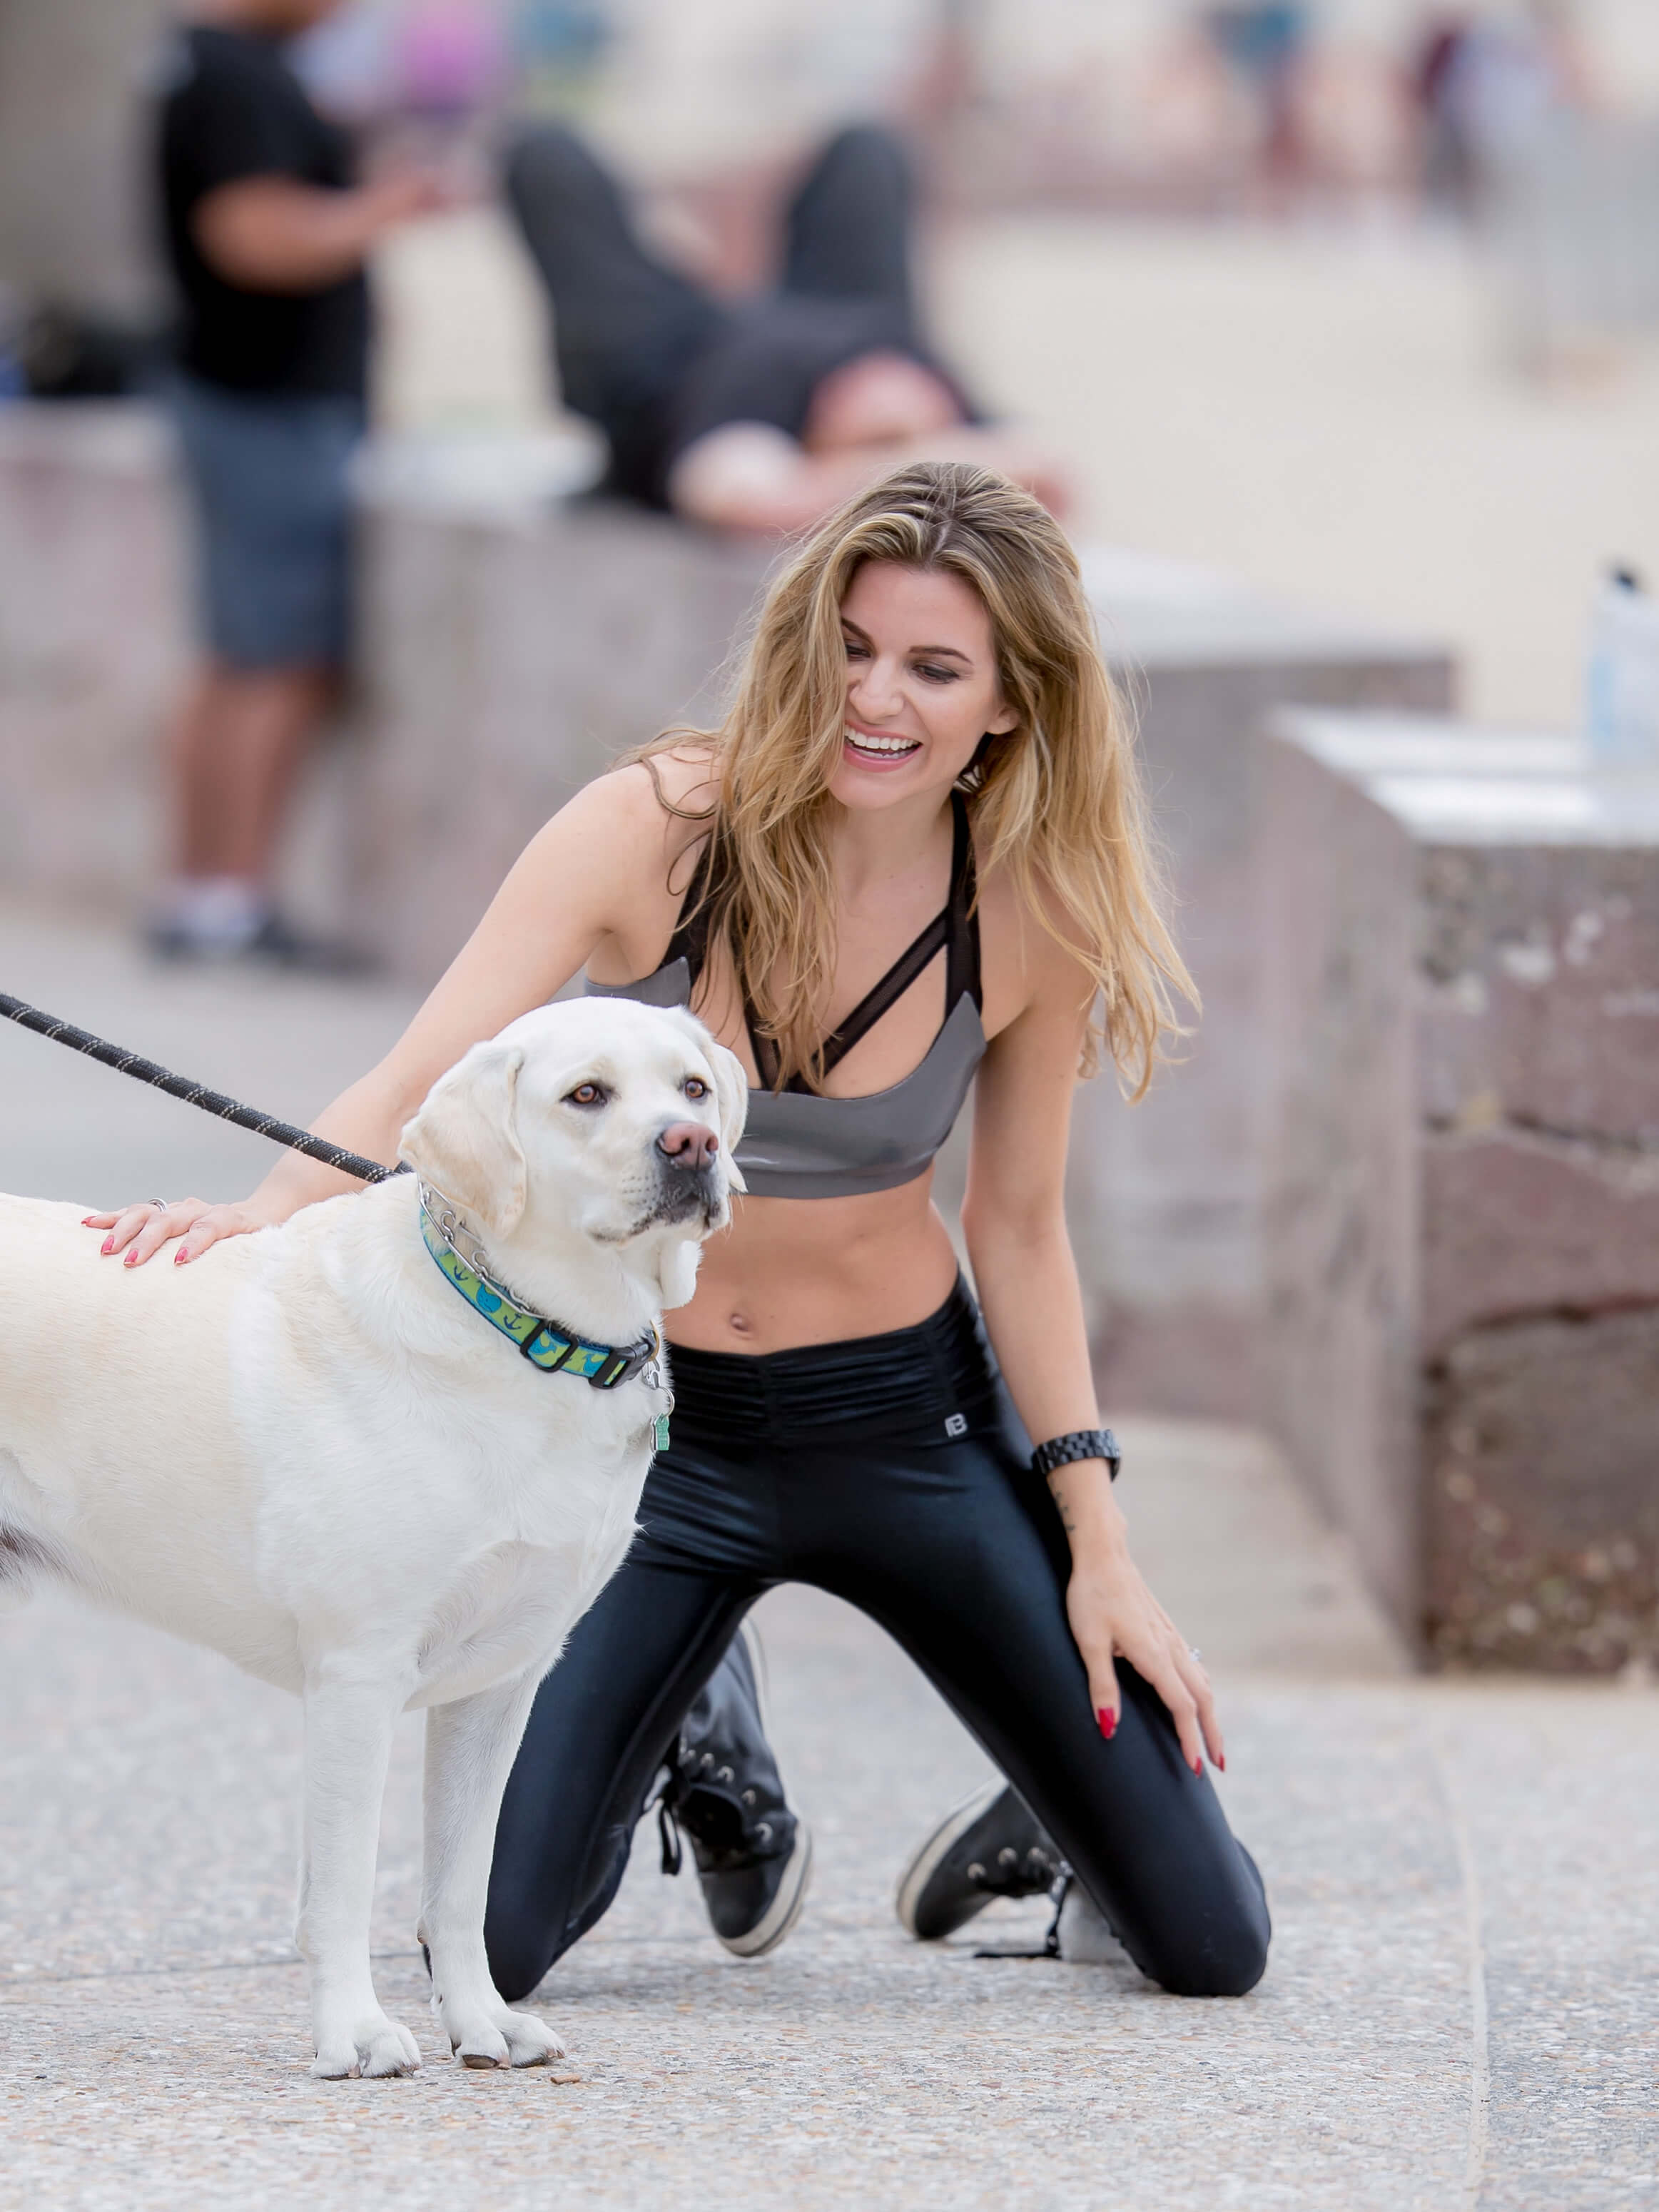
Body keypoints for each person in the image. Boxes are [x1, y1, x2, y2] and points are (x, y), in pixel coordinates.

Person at [89, 462, 1270, 2000]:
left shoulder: (1029, 905)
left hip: (902, 1419)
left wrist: (1097, 1542)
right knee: (497, 1946)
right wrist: (259, 1215)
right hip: (648, 1433)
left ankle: (1047, 1791)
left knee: (1208, 1942)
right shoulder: (657, 826)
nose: (876, 697)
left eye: (931, 667)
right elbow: (422, 1070)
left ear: (1011, 701)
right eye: (851, 645)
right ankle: (700, 1712)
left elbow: (1021, 1230)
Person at [148, 0, 446, 966]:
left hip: (241, 399)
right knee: (277, 656)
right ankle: (229, 902)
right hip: (266, 406)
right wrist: (385, 208)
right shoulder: (236, 74)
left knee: (238, 652)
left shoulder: (199, 65)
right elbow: (251, 236)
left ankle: (202, 896)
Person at [504, 121, 1070, 535]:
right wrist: (942, 445)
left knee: (544, 157)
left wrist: (908, 458)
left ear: (824, 442)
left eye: (886, 440)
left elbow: (760, 504)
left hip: (670, 355)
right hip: (833, 299)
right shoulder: (937, 387)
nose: (893, 412)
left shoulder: (751, 431)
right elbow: (1052, 476)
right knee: (871, 147)